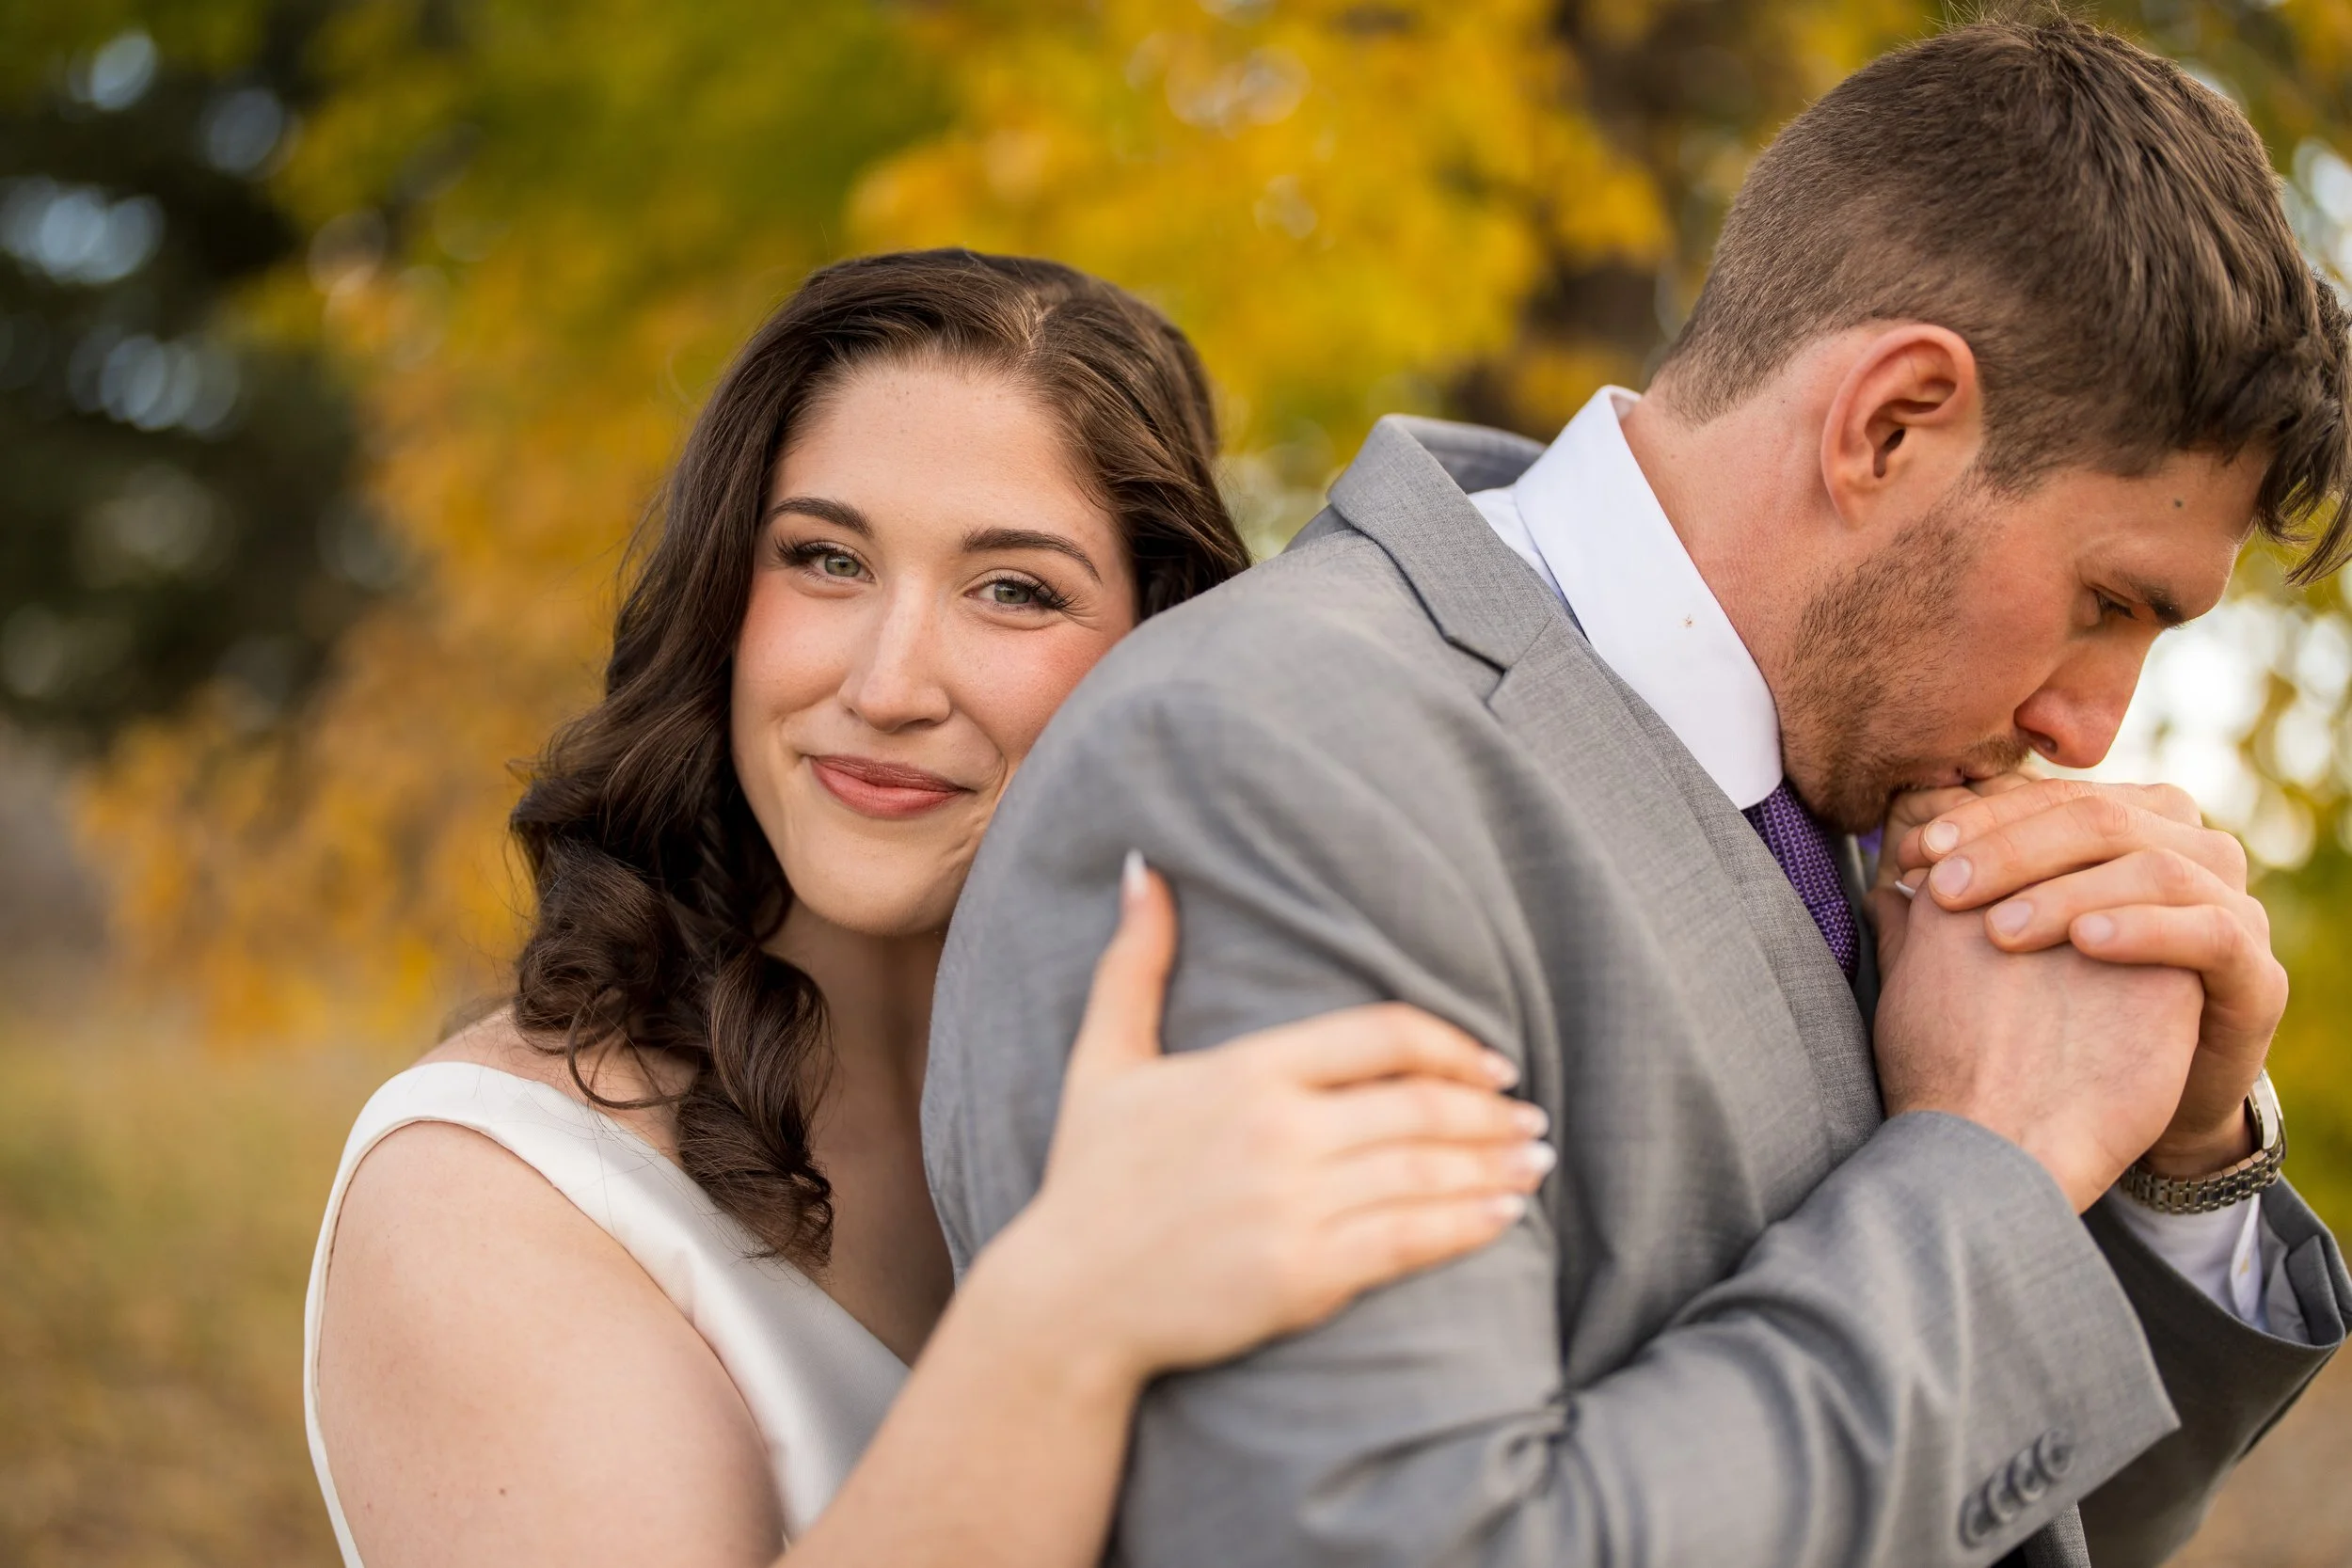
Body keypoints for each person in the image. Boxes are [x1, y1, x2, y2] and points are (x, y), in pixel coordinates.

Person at [926, 18, 2352, 1568]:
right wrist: (1993, 1156)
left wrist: (2179, 1155)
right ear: (1890, 425)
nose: (2091, 728)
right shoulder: (1275, 761)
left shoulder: (1848, 802)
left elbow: (2007, 1512)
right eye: (2105, 600)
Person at [302, 251, 1554, 1568]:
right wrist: (1066, 1312)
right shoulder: (483, 1188)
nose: (891, 681)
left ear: (1164, 651)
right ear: (728, 599)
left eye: (1013, 588)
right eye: (826, 559)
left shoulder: (1214, 1080)